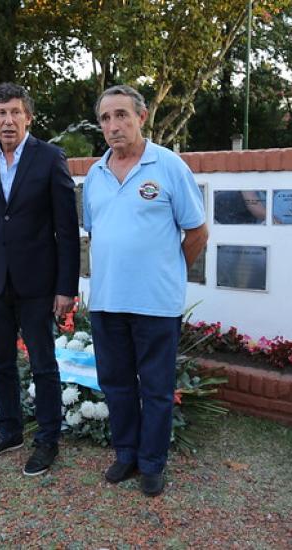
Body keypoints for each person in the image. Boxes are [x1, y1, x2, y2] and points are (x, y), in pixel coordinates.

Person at [83, 85, 208, 497]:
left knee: (155, 387)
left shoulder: (169, 166)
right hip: (106, 301)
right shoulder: (94, 177)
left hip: (156, 303)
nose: (114, 125)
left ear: (141, 118)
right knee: (116, 384)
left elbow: (197, 231)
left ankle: (153, 463)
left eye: (121, 115)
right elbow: (96, 233)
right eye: (106, 118)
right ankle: (126, 454)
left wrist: (170, 270)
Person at [0, 82, 80, 476]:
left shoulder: (50, 158)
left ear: (28, 116)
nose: (8, 120)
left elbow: (67, 228)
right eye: (0, 113)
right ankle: (9, 430)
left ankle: (47, 438)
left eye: (15, 112)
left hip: (37, 284)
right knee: (0, 364)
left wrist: (66, 287)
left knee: (43, 364)